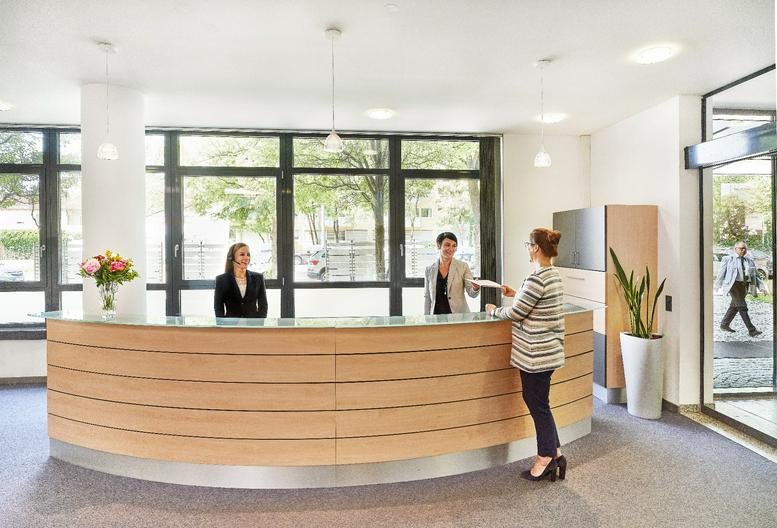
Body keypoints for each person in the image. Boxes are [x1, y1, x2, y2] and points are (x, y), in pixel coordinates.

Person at [485, 227, 565, 482]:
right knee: (542, 404)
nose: (527, 249)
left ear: (536, 248)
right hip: (549, 352)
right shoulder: (553, 275)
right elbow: (533, 305)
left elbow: (517, 313)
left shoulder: (536, 278)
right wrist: (514, 294)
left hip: (535, 355)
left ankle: (545, 458)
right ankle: (557, 453)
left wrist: (494, 311)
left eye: (528, 245)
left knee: (537, 405)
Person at [714, 241, 769, 337]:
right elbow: (721, 273)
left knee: (735, 306)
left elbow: (755, 276)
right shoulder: (728, 259)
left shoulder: (749, 260)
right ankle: (752, 330)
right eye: (740, 248)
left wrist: (762, 288)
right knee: (742, 306)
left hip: (744, 286)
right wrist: (717, 285)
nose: (743, 250)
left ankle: (724, 324)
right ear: (735, 249)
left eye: (744, 248)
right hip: (733, 285)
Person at [424, 231, 480, 315]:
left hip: (458, 317)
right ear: (439, 246)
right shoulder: (429, 270)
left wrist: (475, 288)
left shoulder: (463, 267)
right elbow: (427, 297)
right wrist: (426, 318)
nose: (451, 249)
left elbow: (472, 294)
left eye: (454, 246)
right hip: (436, 317)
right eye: (447, 245)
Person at [214, 242, 268, 318]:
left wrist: (259, 324)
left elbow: (263, 305)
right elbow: (218, 307)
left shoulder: (258, 278)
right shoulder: (222, 280)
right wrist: (223, 326)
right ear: (231, 258)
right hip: (231, 326)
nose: (246, 258)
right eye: (242, 254)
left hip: (253, 326)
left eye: (248, 255)